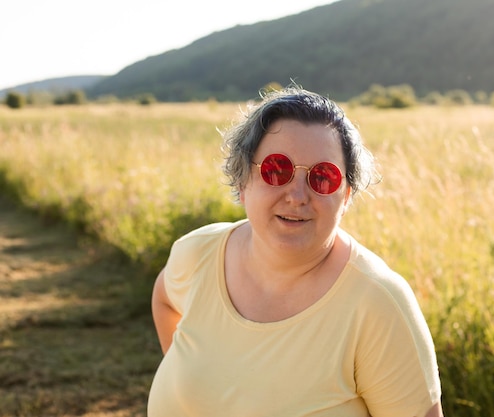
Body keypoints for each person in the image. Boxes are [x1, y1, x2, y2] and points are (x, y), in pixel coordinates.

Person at [148, 86, 444, 417]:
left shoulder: (377, 302)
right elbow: (164, 300)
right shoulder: (198, 253)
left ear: (345, 196)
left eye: (323, 177)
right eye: (277, 169)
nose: (298, 196)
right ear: (243, 180)